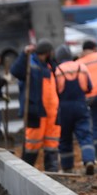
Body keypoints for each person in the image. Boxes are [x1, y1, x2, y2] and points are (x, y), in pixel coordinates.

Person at [10, 39, 61, 172]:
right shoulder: (29, 64)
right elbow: (16, 71)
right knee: (32, 144)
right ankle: (27, 171)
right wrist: (24, 54)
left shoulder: (50, 66)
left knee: (52, 144)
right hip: (36, 112)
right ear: (47, 52)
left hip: (52, 113)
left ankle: (52, 170)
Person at [53, 44, 96, 175]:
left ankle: (67, 167)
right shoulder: (81, 67)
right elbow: (89, 87)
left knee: (65, 138)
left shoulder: (57, 70)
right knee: (85, 135)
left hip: (64, 108)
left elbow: (55, 91)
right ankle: (89, 160)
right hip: (80, 105)